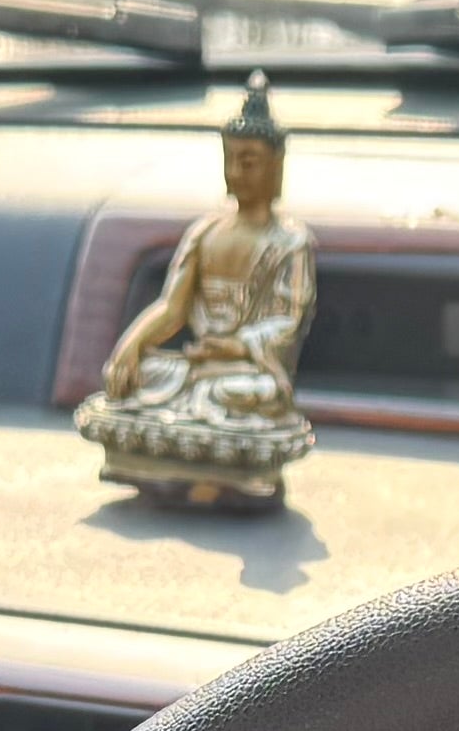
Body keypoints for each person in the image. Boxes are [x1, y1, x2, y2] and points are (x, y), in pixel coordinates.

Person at [77, 78, 320, 507]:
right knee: (146, 377)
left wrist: (236, 344)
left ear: (276, 167)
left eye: (250, 162)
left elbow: (288, 320)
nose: (237, 172)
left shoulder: (290, 242)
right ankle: (169, 461)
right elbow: (172, 307)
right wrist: (131, 345)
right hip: (196, 365)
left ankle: (221, 467)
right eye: (231, 160)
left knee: (240, 395)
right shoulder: (206, 231)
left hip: (242, 370)